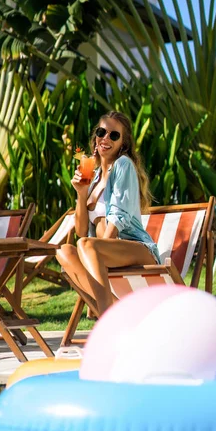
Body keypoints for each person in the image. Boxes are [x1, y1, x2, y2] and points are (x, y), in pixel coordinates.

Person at [56, 110, 160, 316]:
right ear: (95, 136)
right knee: (64, 251)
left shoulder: (123, 166)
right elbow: (81, 230)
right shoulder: (93, 178)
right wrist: (82, 194)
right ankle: (119, 311)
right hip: (103, 251)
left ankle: (106, 319)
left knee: (86, 244)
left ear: (123, 143)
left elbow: (118, 217)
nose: (105, 138)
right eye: (102, 132)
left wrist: (96, 248)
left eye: (114, 135)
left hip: (136, 249)